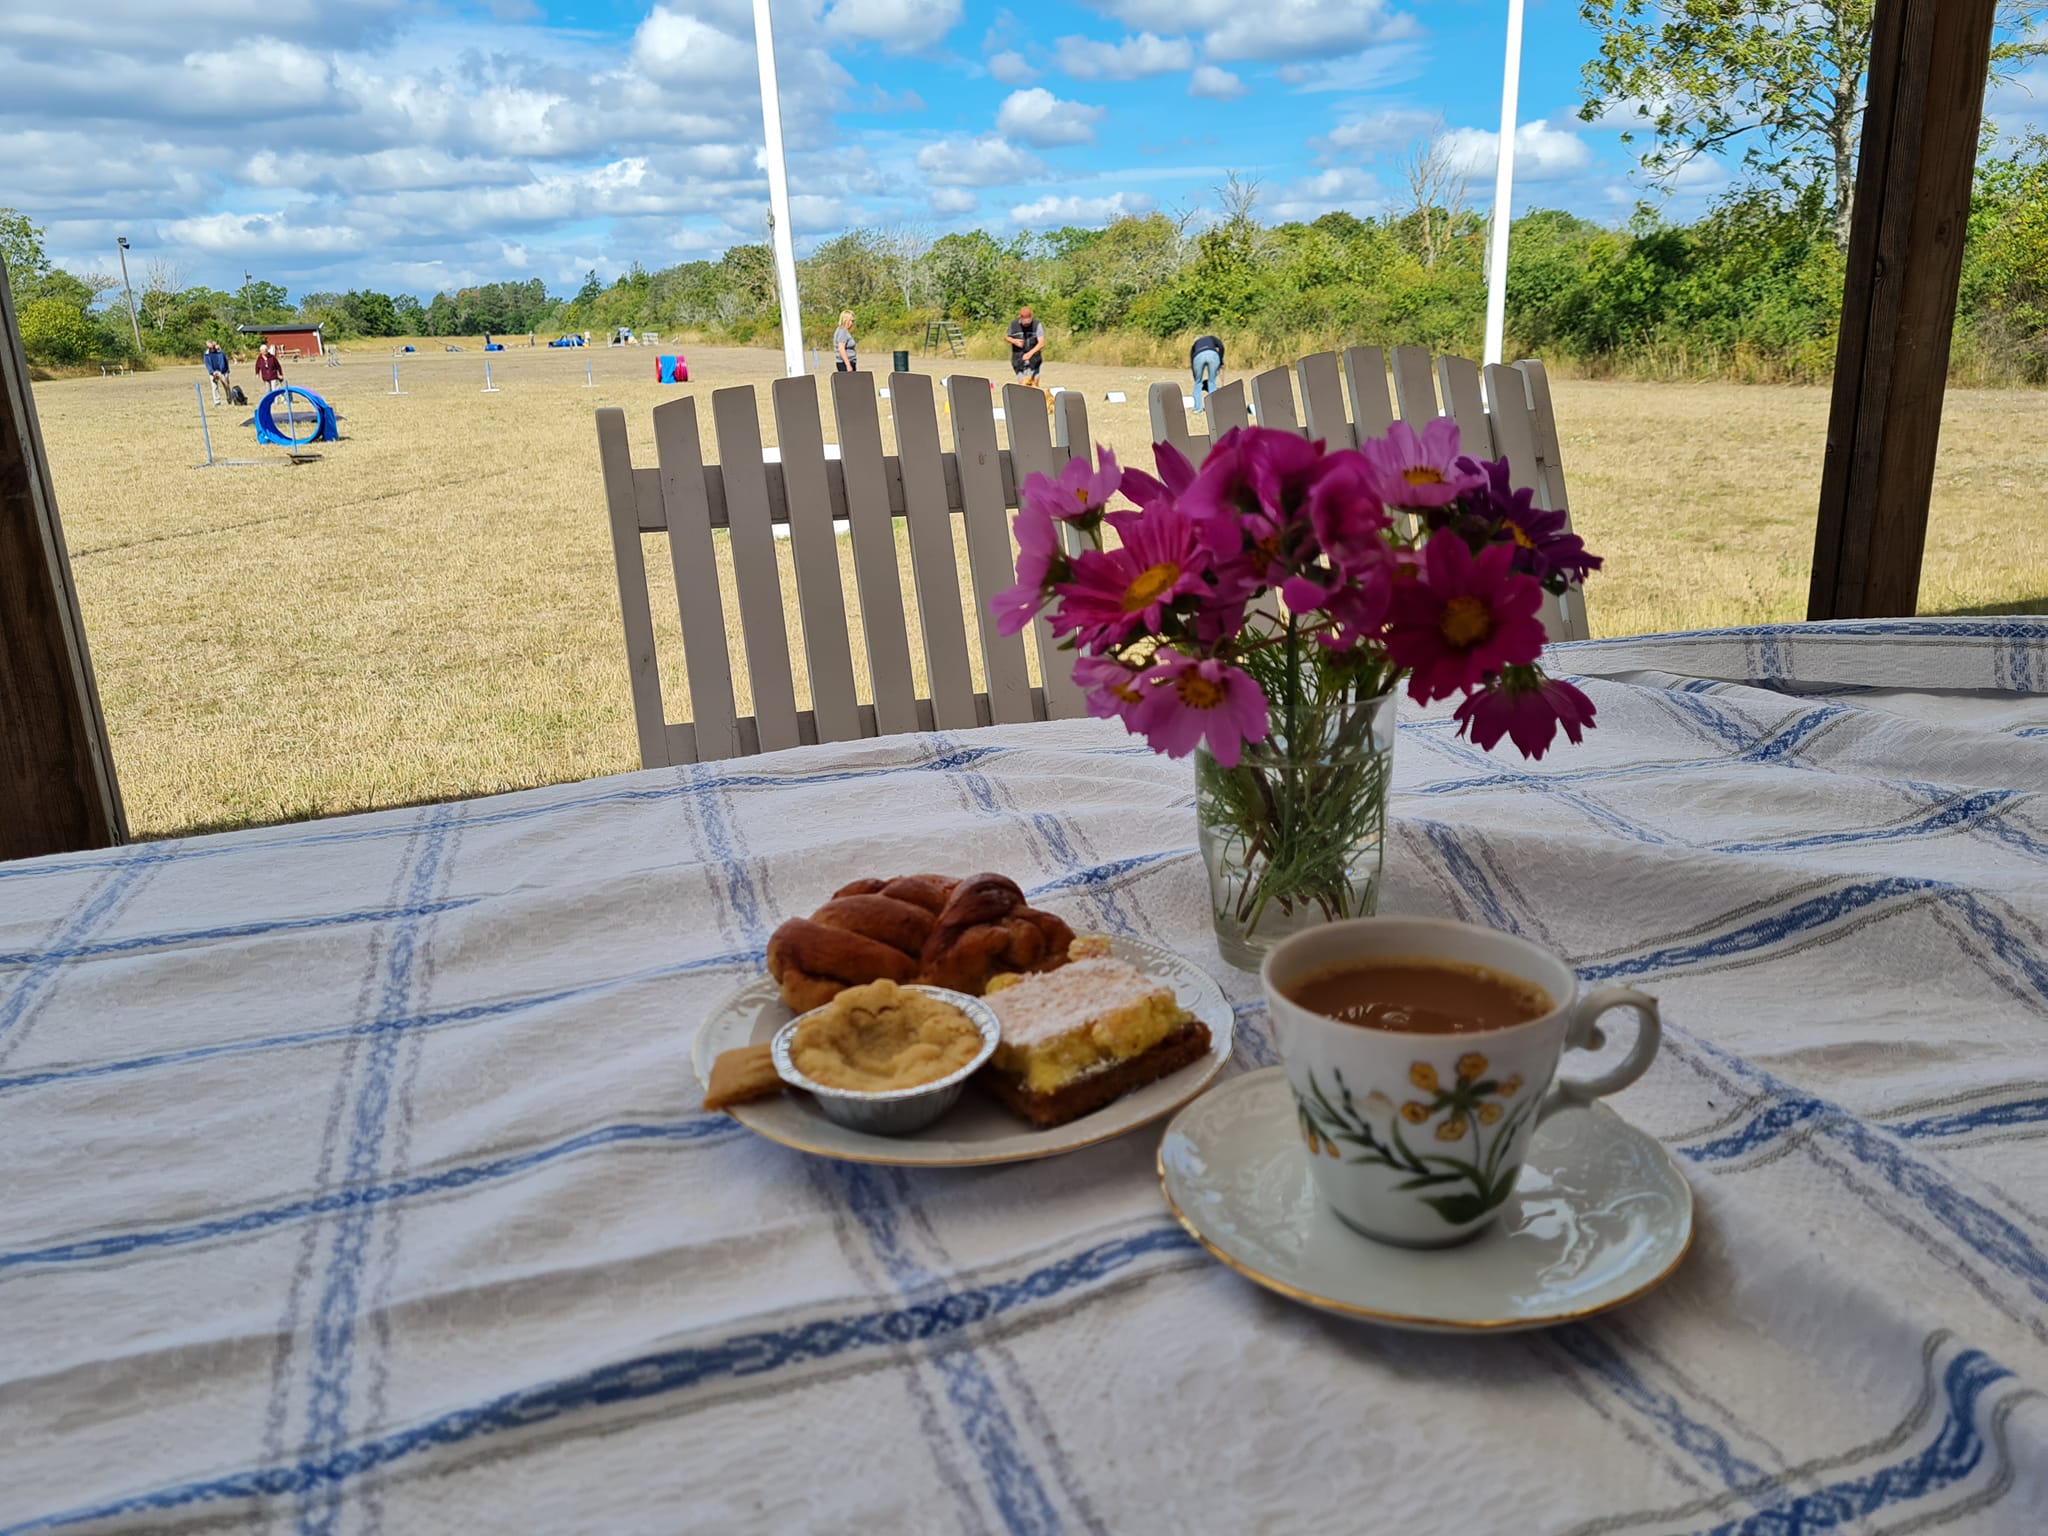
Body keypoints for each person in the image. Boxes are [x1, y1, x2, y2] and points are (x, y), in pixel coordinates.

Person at [1007, 305, 1044, 385]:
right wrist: (1014, 341)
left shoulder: (1037, 325)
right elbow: (1007, 337)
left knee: (1035, 386)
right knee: (1023, 385)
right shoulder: (1013, 325)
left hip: (1034, 360)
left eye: (1028, 321)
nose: (1027, 324)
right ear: (1020, 318)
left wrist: (1030, 353)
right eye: (1025, 322)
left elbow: (1041, 343)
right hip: (1018, 359)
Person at [1190, 333, 1224, 413]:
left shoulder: (1195, 344)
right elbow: (1221, 346)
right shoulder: (1211, 337)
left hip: (1198, 356)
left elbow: (1192, 359)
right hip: (1213, 354)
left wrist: (1195, 377)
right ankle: (1214, 408)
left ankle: (1197, 409)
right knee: (1212, 382)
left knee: (1197, 383)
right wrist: (1221, 360)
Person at [202, 340, 230, 405]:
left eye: (212, 347)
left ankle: (229, 399)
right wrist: (212, 372)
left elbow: (223, 361)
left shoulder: (220, 352)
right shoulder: (206, 354)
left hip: (223, 371)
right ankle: (217, 402)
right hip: (213, 372)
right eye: (210, 347)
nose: (212, 348)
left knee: (226, 386)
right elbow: (208, 365)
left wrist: (221, 371)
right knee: (214, 387)